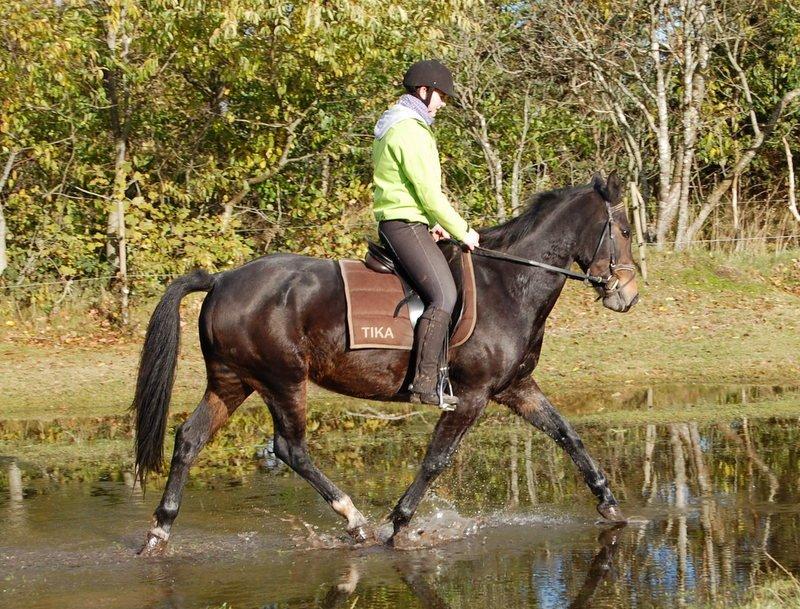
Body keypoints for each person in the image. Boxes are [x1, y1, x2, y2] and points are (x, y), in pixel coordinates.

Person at [372, 59, 480, 409]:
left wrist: (429, 221)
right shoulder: (410, 129)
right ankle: (425, 383)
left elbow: (412, 189)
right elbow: (430, 192)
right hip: (403, 224)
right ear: (424, 91)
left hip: (408, 220)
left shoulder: (401, 125)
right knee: (445, 294)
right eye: (440, 96)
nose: (442, 104)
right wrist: (462, 230)